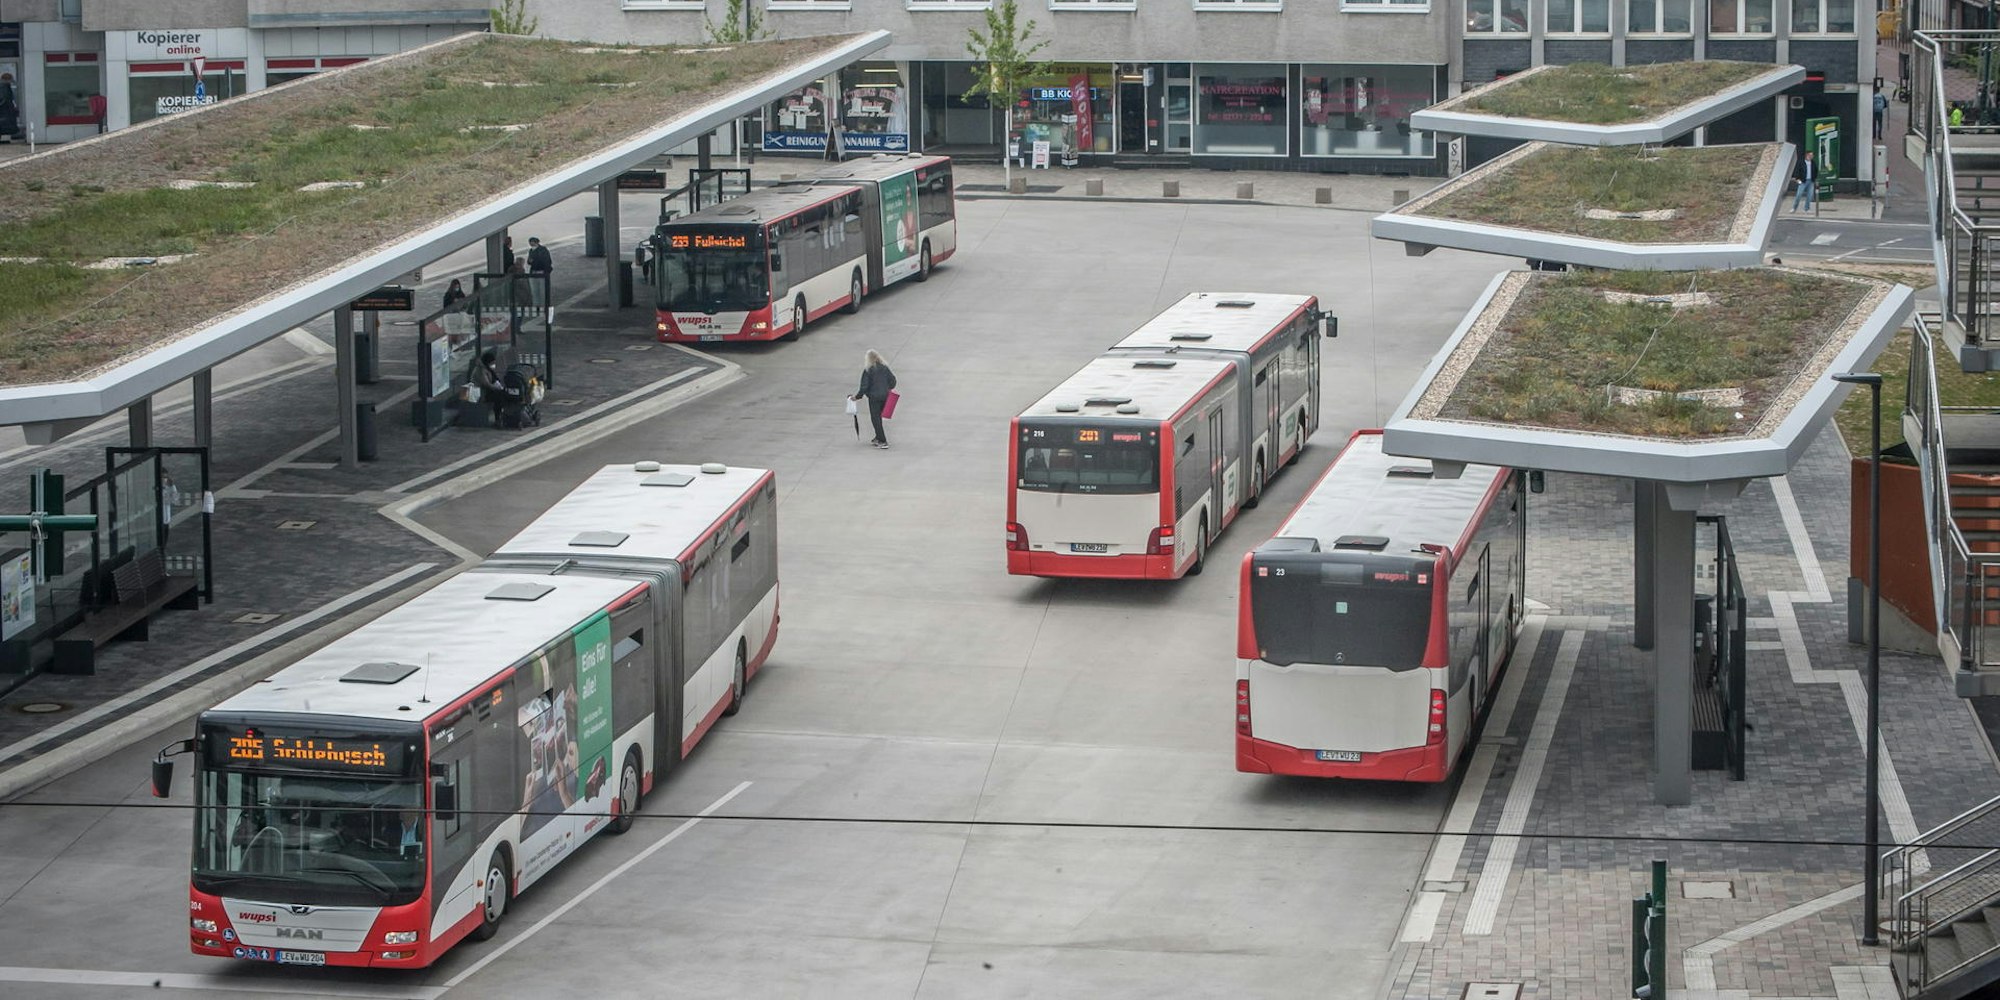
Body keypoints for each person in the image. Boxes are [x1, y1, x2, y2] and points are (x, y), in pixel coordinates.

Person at [851, 349, 897, 449]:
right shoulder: (885, 368)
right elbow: (893, 381)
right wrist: (886, 388)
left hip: (874, 397)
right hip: (885, 396)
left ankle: (883, 441)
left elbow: (864, 386)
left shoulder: (868, 370)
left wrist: (857, 397)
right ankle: (877, 437)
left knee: (875, 418)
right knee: (879, 418)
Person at [472, 348, 507, 426]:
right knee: (499, 397)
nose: (493, 364)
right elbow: (486, 384)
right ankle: (498, 419)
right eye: (492, 363)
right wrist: (498, 388)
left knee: (503, 394)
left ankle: (503, 415)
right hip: (481, 393)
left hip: (487, 391)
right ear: (487, 362)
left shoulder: (487, 369)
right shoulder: (480, 370)